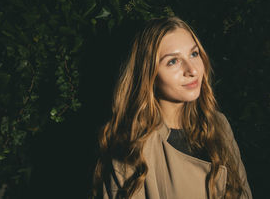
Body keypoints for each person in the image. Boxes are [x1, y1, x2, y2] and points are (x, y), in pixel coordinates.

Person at [93, 17, 252, 199]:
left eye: (194, 54)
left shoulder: (219, 124)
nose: (192, 70)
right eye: (173, 61)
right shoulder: (132, 145)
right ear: (149, 75)